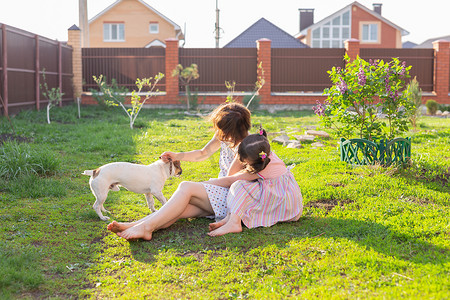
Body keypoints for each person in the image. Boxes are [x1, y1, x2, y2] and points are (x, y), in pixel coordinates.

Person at [107, 102, 251, 240]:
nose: (219, 133)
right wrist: (177, 155)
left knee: (186, 187)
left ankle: (144, 228)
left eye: (222, 129)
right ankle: (137, 226)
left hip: (232, 197)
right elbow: (203, 153)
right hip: (221, 193)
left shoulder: (247, 147)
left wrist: (206, 183)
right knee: (178, 209)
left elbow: (230, 180)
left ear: (231, 130)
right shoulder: (226, 136)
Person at [207, 129, 303, 236]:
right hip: (286, 200)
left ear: (253, 162)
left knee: (239, 186)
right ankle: (229, 219)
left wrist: (206, 183)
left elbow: (230, 179)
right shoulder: (266, 155)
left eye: (245, 161)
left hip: (283, 206)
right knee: (245, 186)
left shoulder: (261, 168)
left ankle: (234, 223)